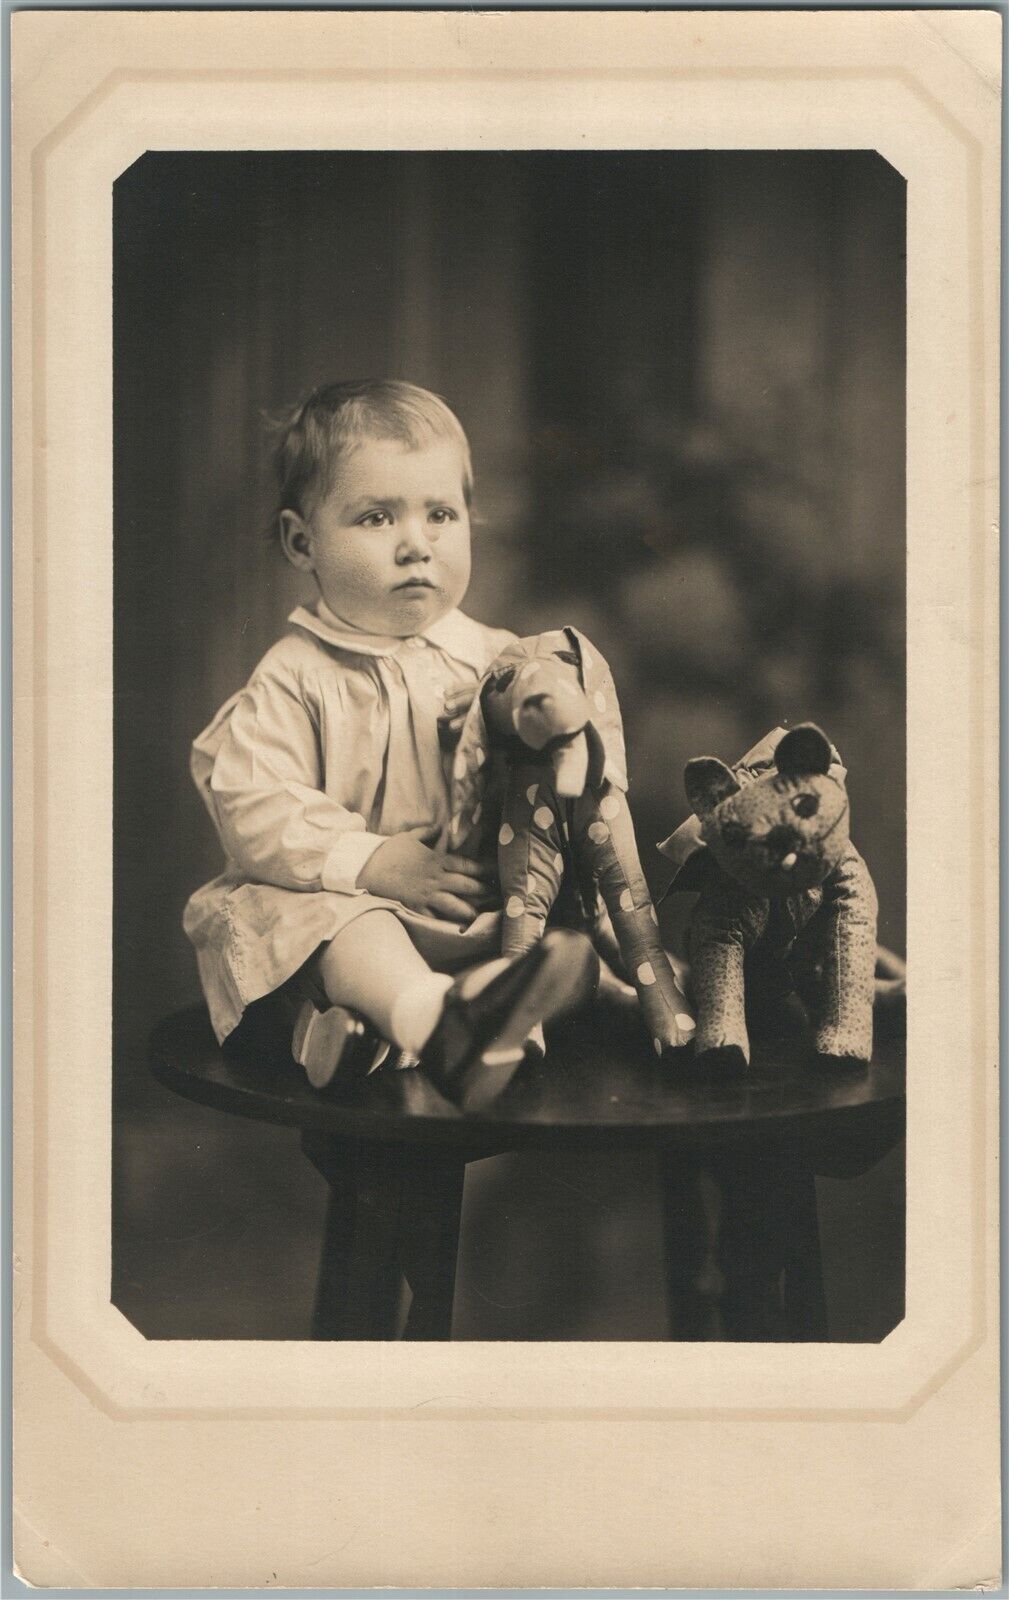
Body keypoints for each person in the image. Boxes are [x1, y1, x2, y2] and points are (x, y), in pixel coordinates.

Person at [183, 380, 597, 1107]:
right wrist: (372, 860)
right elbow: (251, 801)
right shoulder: (296, 676)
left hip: (463, 917)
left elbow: (550, 776)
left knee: (554, 935)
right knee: (341, 923)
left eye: (440, 513)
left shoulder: (497, 661)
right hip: (340, 922)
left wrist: (532, 735)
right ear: (301, 542)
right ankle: (434, 1024)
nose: (416, 545)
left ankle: (384, 1034)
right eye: (376, 518)